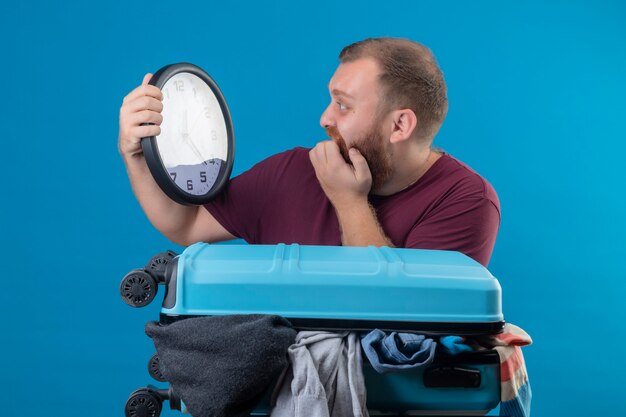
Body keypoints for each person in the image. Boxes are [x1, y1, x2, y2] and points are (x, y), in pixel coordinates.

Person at [118, 38, 500, 267]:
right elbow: (185, 225)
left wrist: (348, 202)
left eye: (344, 105)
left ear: (400, 126)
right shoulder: (291, 171)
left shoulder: (466, 200)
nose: (324, 118)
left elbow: (402, 323)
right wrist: (135, 153)